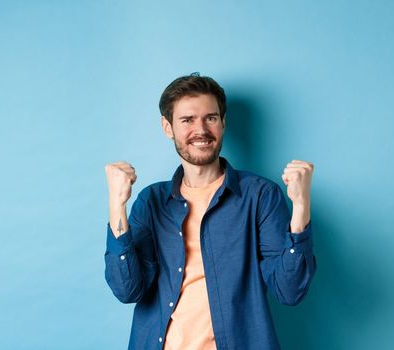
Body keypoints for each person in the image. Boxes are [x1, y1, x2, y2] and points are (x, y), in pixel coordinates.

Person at [103, 73, 316, 350]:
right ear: (167, 127)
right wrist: (116, 204)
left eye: (210, 118)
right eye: (187, 120)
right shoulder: (151, 201)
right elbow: (127, 289)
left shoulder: (260, 196)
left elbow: (289, 291)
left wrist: (301, 207)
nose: (200, 129)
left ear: (223, 123)